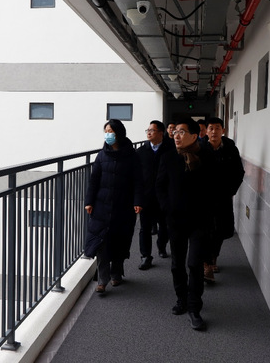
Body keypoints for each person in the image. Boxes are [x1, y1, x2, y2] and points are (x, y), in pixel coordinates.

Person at [156, 117, 213, 331]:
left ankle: (194, 307)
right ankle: (182, 299)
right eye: (175, 132)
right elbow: (160, 186)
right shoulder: (169, 157)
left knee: (194, 263)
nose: (176, 135)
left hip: (200, 220)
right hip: (176, 219)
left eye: (181, 132)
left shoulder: (206, 156)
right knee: (177, 264)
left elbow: (216, 187)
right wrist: (167, 208)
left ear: (194, 135)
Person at [84, 119, 143, 294]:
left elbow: (138, 181)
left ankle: (116, 273)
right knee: (102, 243)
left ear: (119, 133)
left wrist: (138, 201)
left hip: (123, 205)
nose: (108, 135)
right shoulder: (101, 155)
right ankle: (102, 280)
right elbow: (94, 181)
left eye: (111, 131)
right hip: (102, 206)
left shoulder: (132, 156)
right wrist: (89, 201)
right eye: (106, 131)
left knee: (120, 240)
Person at [202, 117, 245, 282]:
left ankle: (213, 256)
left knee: (221, 230)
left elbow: (239, 172)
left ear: (223, 130)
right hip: (204, 198)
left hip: (223, 197)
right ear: (206, 131)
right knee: (205, 229)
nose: (214, 131)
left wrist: (232, 191)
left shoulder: (230, 149)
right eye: (211, 128)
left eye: (217, 128)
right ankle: (206, 263)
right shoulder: (200, 148)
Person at [136, 120, 174, 270]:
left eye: (152, 130)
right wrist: (137, 198)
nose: (149, 133)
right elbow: (136, 177)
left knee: (164, 226)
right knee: (144, 228)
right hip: (146, 196)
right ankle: (145, 256)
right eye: (148, 130)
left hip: (164, 197)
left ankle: (161, 246)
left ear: (161, 133)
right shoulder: (141, 151)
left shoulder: (171, 149)